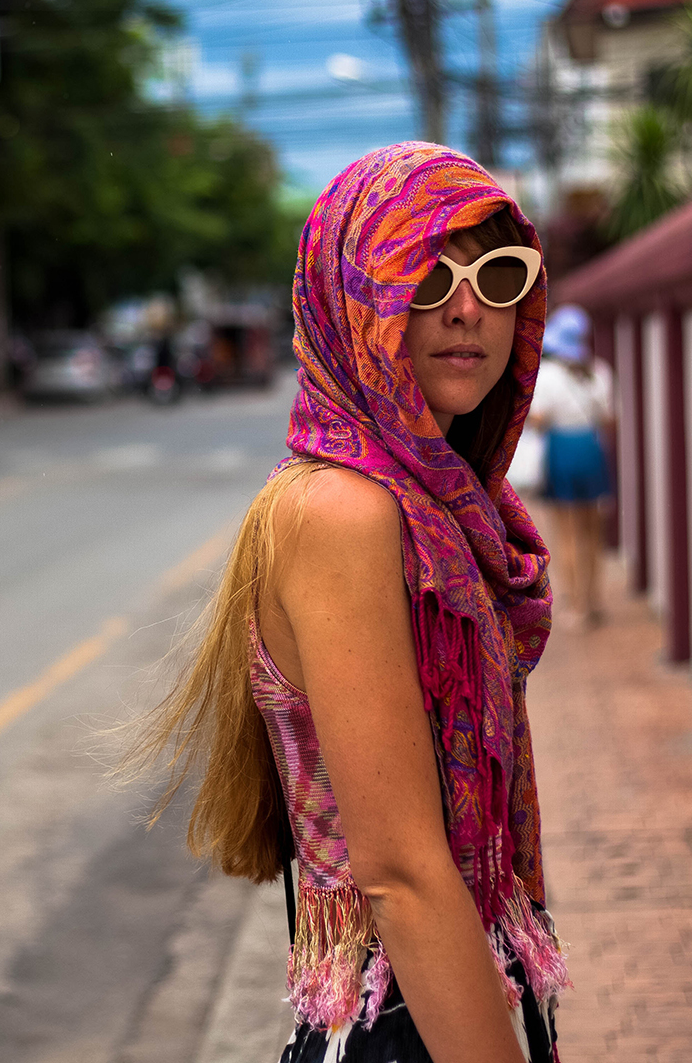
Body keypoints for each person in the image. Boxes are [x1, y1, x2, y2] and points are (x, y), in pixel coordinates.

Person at [129, 143, 567, 1062]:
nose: (465, 308)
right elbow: (403, 874)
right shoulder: (341, 510)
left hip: (455, 999)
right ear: (353, 298)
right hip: (408, 1028)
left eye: (497, 275)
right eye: (423, 275)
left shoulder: (453, 505)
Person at [526, 305, 613, 627]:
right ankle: (594, 600)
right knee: (593, 531)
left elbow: (539, 420)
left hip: (562, 451)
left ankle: (576, 605)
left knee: (566, 533)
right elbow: (608, 419)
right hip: (591, 450)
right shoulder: (600, 372)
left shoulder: (547, 376)